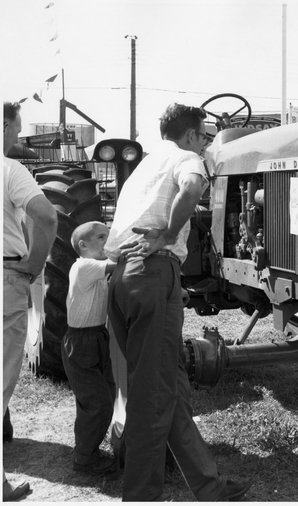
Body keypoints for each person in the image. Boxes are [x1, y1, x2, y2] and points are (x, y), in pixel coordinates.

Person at [104, 103, 253, 501]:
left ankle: (208, 485)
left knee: (168, 385)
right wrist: (169, 234)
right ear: (190, 136)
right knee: (153, 395)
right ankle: (140, 496)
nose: (206, 143)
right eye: (205, 136)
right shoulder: (188, 159)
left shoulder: (146, 167)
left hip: (123, 277)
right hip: (153, 273)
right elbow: (191, 189)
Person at [3, 101, 57, 500]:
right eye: (16, 131)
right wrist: (36, 262)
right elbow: (48, 216)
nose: (16, 139)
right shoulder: (9, 169)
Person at [62, 221, 118, 476]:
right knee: (98, 402)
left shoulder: (95, 270)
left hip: (96, 337)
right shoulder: (84, 266)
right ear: (83, 245)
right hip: (81, 342)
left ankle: (88, 448)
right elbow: (118, 263)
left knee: (103, 395)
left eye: (108, 236)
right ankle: (84, 459)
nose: (107, 241)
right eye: (101, 237)